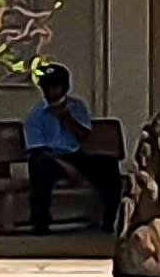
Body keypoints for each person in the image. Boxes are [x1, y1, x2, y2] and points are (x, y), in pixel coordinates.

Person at [21, 65, 124, 233]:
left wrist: (67, 118)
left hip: (75, 155)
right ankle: (40, 222)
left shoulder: (77, 106)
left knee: (108, 165)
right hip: (51, 158)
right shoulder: (36, 114)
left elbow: (84, 135)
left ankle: (110, 220)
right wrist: (65, 167)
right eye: (47, 86)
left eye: (56, 85)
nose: (51, 90)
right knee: (39, 166)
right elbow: (37, 149)